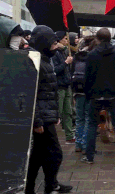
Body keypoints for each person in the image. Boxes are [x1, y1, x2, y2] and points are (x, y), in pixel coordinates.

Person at [25, 25, 73, 194]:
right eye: (53, 44)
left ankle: (44, 185)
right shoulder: (33, 61)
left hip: (47, 115)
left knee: (39, 155)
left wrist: (55, 115)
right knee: (54, 153)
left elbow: (49, 91)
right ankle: (47, 186)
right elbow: (31, 93)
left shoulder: (44, 59)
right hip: (41, 118)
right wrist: (37, 121)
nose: (55, 47)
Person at [83, 28, 115, 166]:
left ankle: (89, 156)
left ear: (97, 39)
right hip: (114, 95)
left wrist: (88, 94)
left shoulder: (92, 54)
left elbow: (87, 77)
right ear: (110, 38)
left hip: (96, 94)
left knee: (92, 125)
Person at [71, 36, 95, 153]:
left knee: (79, 118)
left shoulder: (77, 56)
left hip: (78, 90)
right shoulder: (93, 56)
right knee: (88, 118)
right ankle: (86, 145)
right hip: (89, 91)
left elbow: (71, 72)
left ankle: (78, 144)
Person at [52, 31, 75, 144]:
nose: (67, 41)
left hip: (67, 85)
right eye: (65, 39)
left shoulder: (64, 51)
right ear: (60, 40)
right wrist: (66, 63)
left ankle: (69, 135)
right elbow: (54, 70)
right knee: (59, 112)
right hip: (59, 86)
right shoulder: (55, 53)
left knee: (68, 112)